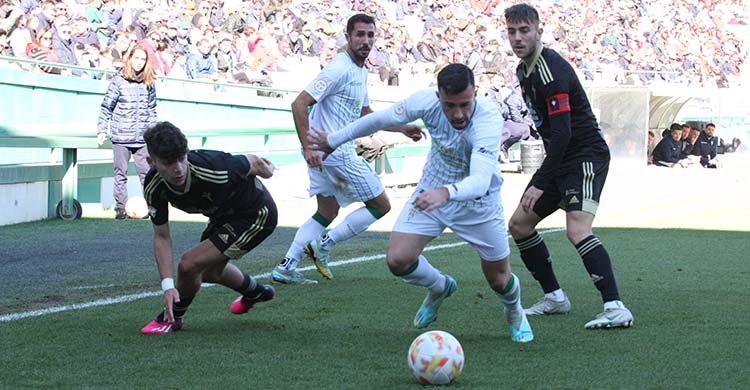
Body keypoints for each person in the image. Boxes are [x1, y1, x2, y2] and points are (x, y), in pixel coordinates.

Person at [308, 63, 534, 343]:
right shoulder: (425, 100)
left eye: (465, 104)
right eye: (450, 105)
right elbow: (378, 120)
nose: (459, 114)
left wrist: (446, 193)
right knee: (398, 259)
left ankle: (514, 311)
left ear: (475, 93)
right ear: (438, 96)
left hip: (478, 203)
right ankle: (439, 286)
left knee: (499, 279)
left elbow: (479, 180)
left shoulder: (487, 119)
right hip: (431, 192)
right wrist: (333, 139)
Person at [504, 4, 633, 329]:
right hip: (560, 159)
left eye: (524, 31)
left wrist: (539, 181)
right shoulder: (524, 70)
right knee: (519, 224)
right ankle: (555, 298)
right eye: (512, 31)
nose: (518, 38)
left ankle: (616, 307)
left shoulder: (552, 70)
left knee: (577, 230)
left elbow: (563, 135)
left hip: (583, 156)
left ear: (538, 31)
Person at [271, 14, 407, 284]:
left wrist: (401, 127)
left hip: (325, 155)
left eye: (370, 35)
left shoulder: (360, 70)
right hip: (336, 153)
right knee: (381, 205)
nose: (365, 40)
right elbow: (299, 104)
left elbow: (366, 114)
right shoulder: (339, 68)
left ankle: (285, 267)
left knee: (327, 211)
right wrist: (308, 146)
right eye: (360, 35)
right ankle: (325, 243)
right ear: (347, 37)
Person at [139, 121, 278, 334]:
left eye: (181, 158)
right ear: (151, 162)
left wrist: (268, 170)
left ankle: (174, 316)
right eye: (168, 162)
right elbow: (162, 236)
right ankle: (257, 292)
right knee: (209, 272)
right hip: (222, 216)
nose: (178, 169)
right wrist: (168, 287)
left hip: (255, 213)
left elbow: (253, 162)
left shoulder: (215, 166)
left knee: (189, 265)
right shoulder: (153, 187)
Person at [97, 44, 156, 219]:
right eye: (136, 58)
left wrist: (153, 133)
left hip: (142, 139)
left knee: (148, 175)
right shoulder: (118, 80)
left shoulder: (149, 82)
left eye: (142, 59)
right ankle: (121, 209)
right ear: (130, 58)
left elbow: (152, 109)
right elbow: (107, 107)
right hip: (121, 137)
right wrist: (101, 129)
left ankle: (151, 208)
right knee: (120, 174)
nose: (139, 62)